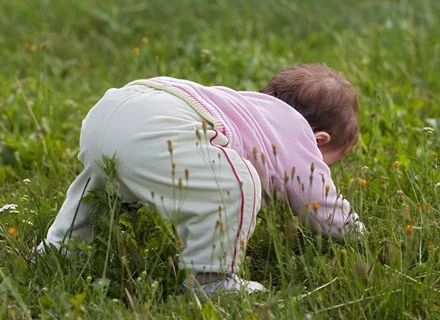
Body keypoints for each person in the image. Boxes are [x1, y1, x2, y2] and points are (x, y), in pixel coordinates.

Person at [37, 63, 364, 297]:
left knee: (105, 183)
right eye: (330, 163)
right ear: (319, 140)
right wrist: (357, 235)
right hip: (155, 126)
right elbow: (318, 202)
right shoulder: (297, 134)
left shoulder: (243, 105)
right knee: (235, 182)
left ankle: (62, 246)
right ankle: (212, 278)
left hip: (111, 109)